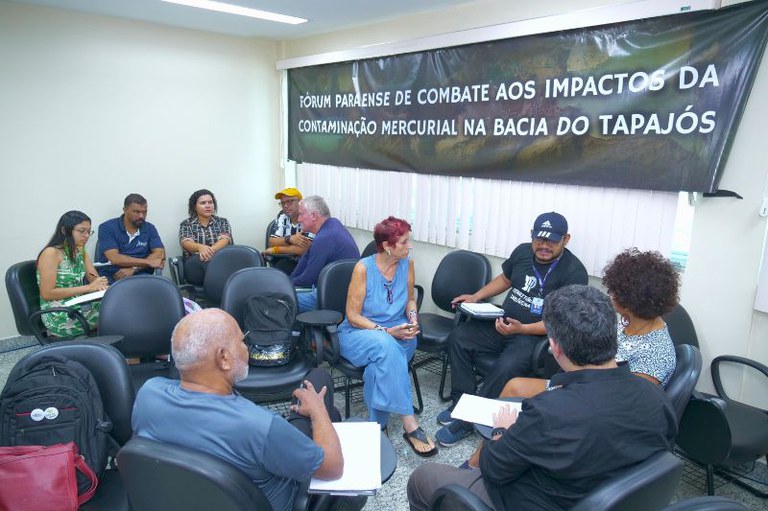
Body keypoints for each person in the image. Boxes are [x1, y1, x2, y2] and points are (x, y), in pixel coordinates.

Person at [407, 285, 677, 511]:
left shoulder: (551, 411)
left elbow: (493, 468)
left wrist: (502, 430)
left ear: (555, 347)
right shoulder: (658, 400)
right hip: (598, 497)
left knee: (422, 478)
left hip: (534, 502)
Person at [462, 247, 680, 469]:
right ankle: (478, 461)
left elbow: (622, 405)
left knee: (527, 410)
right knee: (514, 387)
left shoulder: (656, 353)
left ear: (631, 301)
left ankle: (494, 457)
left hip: (595, 401)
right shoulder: (626, 322)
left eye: (614, 291)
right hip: (583, 382)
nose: (610, 295)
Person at [132, 308, 344, 511]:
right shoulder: (259, 426)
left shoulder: (148, 395)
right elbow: (333, 468)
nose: (247, 348)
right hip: (277, 498)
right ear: (223, 358)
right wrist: (318, 412)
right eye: (243, 341)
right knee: (320, 385)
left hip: (187, 500)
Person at [435, 212, 588, 447]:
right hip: (502, 323)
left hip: (532, 336)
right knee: (459, 338)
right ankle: (461, 402)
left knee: (507, 366)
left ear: (566, 239)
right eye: (539, 239)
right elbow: (505, 279)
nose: (544, 246)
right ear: (532, 236)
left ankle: (468, 421)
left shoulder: (574, 272)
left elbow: (561, 320)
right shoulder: (522, 252)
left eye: (552, 241)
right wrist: (476, 296)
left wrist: (523, 329)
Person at [338, 217, 437, 457]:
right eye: (404, 242)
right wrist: (386, 331)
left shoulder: (407, 264)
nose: (409, 246)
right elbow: (352, 316)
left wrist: (413, 318)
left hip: (400, 333)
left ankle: (377, 426)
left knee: (377, 368)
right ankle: (409, 422)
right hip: (361, 332)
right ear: (387, 245)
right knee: (385, 344)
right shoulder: (363, 268)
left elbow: (410, 299)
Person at [36, 211, 109, 337]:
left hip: (79, 305)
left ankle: (132, 353)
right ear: (65, 230)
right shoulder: (51, 253)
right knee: (118, 314)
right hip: (59, 314)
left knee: (121, 305)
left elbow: (94, 279)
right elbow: (47, 293)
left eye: (89, 231)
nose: (86, 235)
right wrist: (89, 288)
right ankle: (133, 353)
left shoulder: (80, 249)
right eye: (82, 231)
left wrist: (102, 285)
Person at [290, 196, 360, 313]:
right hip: (338, 291)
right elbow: (305, 260)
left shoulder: (325, 238)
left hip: (334, 298)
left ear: (313, 216)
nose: (299, 219)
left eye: (301, 214)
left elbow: (308, 279)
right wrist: (289, 281)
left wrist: (286, 286)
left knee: (279, 300)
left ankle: (293, 331)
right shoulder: (332, 224)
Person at [96, 193, 165, 283]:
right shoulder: (107, 227)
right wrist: (148, 262)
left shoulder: (149, 228)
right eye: (136, 212)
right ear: (125, 210)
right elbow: (114, 258)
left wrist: (134, 268)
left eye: (144, 212)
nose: (141, 216)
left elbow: (160, 254)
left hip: (140, 275)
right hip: (112, 275)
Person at [178, 189, 233, 285]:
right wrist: (200, 247)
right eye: (203, 203)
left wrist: (208, 251)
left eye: (210, 202)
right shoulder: (186, 224)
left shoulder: (222, 222)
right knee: (207, 262)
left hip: (220, 262)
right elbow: (186, 243)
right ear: (194, 207)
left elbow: (225, 240)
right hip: (195, 265)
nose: (208, 205)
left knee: (221, 264)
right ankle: (224, 295)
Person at [263, 187, 311, 275]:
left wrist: (275, 249)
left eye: (289, 202)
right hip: (285, 259)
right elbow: (272, 241)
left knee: (275, 275)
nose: (285, 206)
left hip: (305, 262)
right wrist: (290, 239)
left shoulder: (308, 217)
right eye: (283, 203)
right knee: (268, 275)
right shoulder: (282, 215)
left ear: (300, 202)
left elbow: (304, 249)